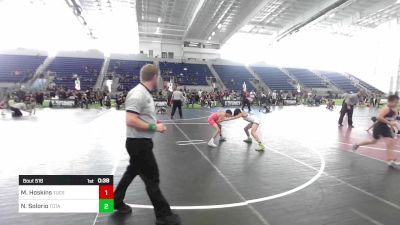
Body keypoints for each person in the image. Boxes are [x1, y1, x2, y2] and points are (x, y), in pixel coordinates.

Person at [113, 64, 181, 225]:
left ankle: (114, 200)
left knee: (131, 172)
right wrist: (154, 127)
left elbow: (143, 116)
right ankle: (164, 215)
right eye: (158, 77)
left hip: (140, 142)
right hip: (138, 144)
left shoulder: (145, 93)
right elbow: (130, 120)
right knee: (152, 179)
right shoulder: (138, 94)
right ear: (155, 76)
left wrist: (154, 121)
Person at [352, 95, 400, 166]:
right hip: (379, 127)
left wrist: (393, 126)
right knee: (373, 141)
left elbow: (393, 119)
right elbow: (379, 117)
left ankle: (390, 160)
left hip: (386, 127)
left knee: (390, 142)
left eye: (397, 102)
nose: (396, 104)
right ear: (390, 101)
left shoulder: (395, 110)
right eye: (395, 102)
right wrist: (390, 123)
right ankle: (357, 144)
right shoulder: (386, 108)